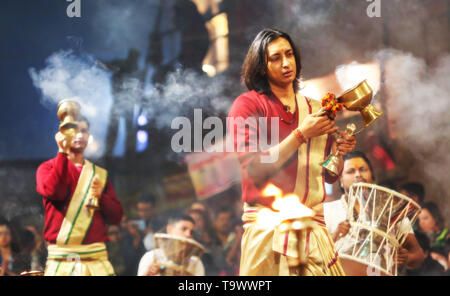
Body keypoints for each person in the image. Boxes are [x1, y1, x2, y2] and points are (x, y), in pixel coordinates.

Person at [227, 28, 356, 276]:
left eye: (289, 54)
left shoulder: (315, 108)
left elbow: (330, 175)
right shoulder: (248, 105)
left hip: (315, 233)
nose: (286, 63)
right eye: (275, 58)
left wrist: (339, 152)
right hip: (268, 234)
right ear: (261, 67)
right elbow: (255, 167)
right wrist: (300, 135)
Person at [36, 116, 123, 276]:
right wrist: (62, 153)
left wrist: (101, 197)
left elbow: (116, 217)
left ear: (89, 136)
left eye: (84, 131)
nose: (80, 135)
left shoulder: (99, 174)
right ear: (62, 135)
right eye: (74, 130)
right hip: (62, 264)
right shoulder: (46, 168)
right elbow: (56, 192)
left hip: (97, 263)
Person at [323, 151, 425, 274]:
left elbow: (418, 255)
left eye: (363, 169)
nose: (358, 175)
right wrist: (334, 236)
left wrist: (406, 258)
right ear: (340, 180)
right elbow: (312, 255)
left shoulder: (391, 210)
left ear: (372, 176)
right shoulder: (327, 211)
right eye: (350, 171)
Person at [137, 214, 205, 276]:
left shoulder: (195, 263)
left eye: (191, 232)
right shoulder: (151, 257)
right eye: (184, 229)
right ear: (169, 229)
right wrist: (148, 274)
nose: (188, 234)